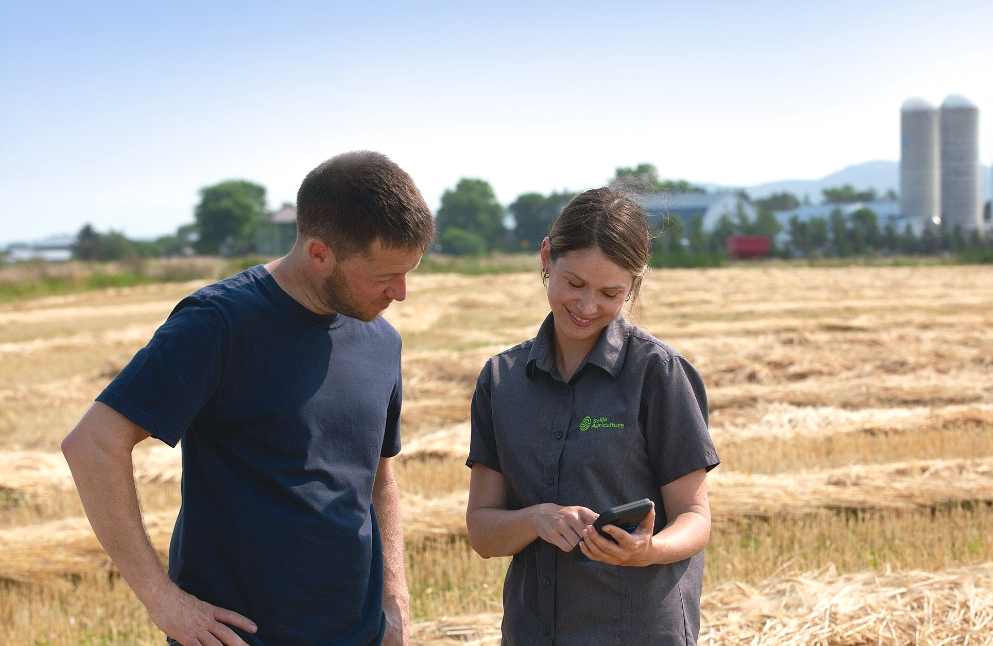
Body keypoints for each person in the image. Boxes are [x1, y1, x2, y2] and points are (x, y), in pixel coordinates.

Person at [62, 151, 435, 646]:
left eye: (409, 272)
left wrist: (395, 599)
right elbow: (93, 445)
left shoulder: (382, 340)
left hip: (358, 634)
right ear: (320, 253)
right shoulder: (218, 323)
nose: (402, 293)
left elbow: (378, 476)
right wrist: (163, 600)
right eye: (385, 275)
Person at [466, 188, 720, 645]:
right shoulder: (501, 381)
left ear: (634, 286)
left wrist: (648, 550)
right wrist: (536, 519)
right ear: (547, 256)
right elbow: (483, 532)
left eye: (610, 293)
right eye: (574, 283)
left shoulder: (659, 374)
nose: (587, 307)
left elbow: (695, 519)